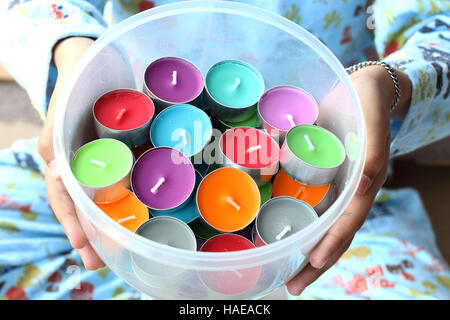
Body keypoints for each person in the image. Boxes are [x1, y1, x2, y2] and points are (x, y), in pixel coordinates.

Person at [0, 0, 449, 300]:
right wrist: (73, 48)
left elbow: (441, 30)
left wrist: (389, 81)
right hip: (102, 170)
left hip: (335, 205)